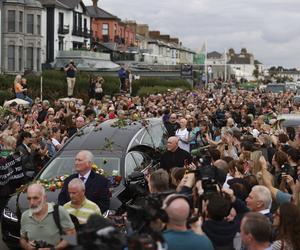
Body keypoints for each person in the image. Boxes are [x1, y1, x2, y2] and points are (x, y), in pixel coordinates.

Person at [20, 183, 75, 250]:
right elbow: (22, 239)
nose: (32, 202)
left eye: (35, 198)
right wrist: (27, 246)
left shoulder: (59, 211)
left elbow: (72, 236)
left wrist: (54, 248)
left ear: (45, 198)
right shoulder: (25, 216)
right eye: (29, 198)